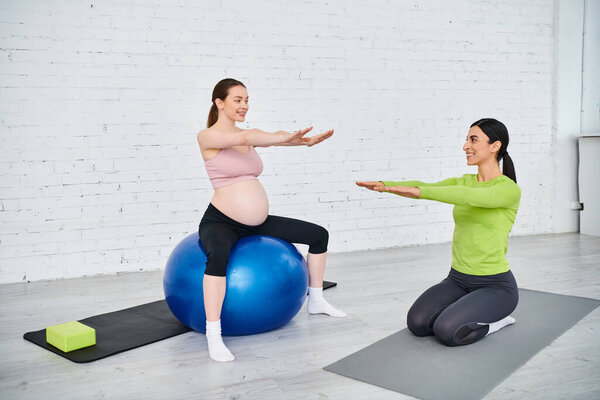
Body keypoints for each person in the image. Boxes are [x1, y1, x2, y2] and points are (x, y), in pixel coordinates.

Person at [197, 78, 346, 362]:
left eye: (247, 100)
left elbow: (262, 136)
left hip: (255, 222)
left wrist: (298, 141)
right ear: (219, 103)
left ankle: (315, 299)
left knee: (318, 235)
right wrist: (282, 137)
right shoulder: (207, 137)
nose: (244, 105)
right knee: (218, 256)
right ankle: (213, 334)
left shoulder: (247, 136)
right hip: (221, 222)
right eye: (237, 100)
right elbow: (247, 137)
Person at [356, 118, 520, 346]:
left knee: (446, 331)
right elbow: (430, 186)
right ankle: (468, 307)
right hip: (458, 279)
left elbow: (467, 197)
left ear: (495, 146)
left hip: (495, 285)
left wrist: (418, 192)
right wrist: (386, 185)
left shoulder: (508, 190)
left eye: (473, 140)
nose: (466, 146)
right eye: (466, 139)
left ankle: (497, 322)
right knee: (418, 323)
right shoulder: (464, 181)